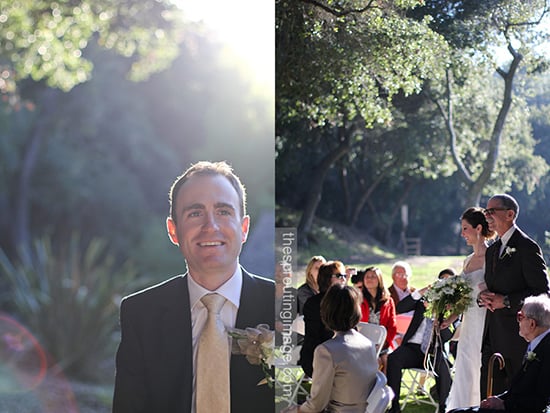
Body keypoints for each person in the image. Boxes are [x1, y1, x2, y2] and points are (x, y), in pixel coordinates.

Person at [112, 161, 275, 413]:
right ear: (173, 230)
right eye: (195, 213)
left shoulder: (288, 306)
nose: (211, 226)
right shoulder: (140, 314)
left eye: (223, 212)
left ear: (244, 228)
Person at [478, 194, 549, 397]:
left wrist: (507, 301)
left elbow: (542, 291)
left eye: (492, 211)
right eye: (486, 211)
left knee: (516, 398)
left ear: (510, 214)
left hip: (517, 337)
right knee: (489, 396)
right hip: (491, 334)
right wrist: (483, 296)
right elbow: (493, 287)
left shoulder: (527, 247)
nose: (487, 216)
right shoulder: (491, 251)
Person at [448, 294, 550, 413]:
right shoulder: (538, 343)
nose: (517, 321)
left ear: (532, 323)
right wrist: (498, 399)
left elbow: (542, 399)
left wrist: (504, 404)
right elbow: (519, 390)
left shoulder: (546, 349)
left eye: (520, 316)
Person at [298, 284, 378, 413]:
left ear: (325, 311)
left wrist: (295, 409)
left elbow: (316, 405)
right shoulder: (368, 344)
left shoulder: (326, 351)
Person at [445, 207, 495, 410]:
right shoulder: (467, 260)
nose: (462, 233)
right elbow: (464, 298)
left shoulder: (493, 257)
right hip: (468, 326)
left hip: (486, 322)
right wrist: (450, 318)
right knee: (465, 369)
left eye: (465, 228)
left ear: (479, 228)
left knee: (481, 369)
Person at [386, 274, 455, 413]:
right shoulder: (424, 300)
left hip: (433, 350)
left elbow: (448, 336)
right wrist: (421, 292)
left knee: (444, 366)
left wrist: (440, 320)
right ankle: (394, 407)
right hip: (412, 348)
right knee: (393, 358)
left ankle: (443, 408)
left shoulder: (451, 308)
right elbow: (401, 307)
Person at [299, 260, 347, 378]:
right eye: (339, 276)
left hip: (343, 354)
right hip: (318, 356)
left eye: (344, 276)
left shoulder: (346, 301)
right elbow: (316, 336)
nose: (344, 279)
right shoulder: (314, 303)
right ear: (326, 278)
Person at [360, 266, 397, 373]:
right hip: (362, 342)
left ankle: (383, 388)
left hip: (382, 342)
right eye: (367, 277)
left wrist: (383, 343)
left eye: (373, 277)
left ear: (379, 280)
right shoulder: (358, 299)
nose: (369, 279)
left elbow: (392, 325)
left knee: (387, 360)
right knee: (376, 362)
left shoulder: (388, 301)